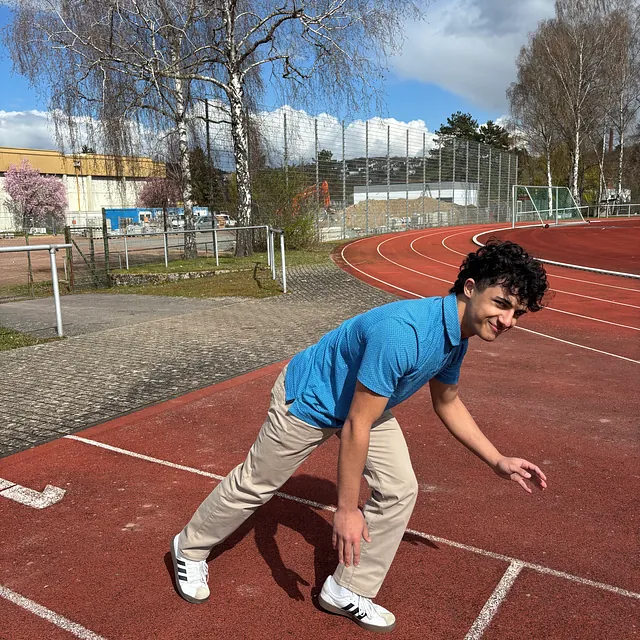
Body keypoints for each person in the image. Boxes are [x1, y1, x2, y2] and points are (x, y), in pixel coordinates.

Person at [170, 240, 549, 633]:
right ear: (470, 288)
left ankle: (346, 589)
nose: (508, 320)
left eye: (517, 313)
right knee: (256, 484)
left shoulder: (458, 335)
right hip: (313, 398)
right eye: (502, 304)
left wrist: (497, 460)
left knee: (400, 489)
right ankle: (189, 547)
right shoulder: (405, 333)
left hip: (364, 403)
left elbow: (447, 402)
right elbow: (355, 425)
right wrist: (347, 510)